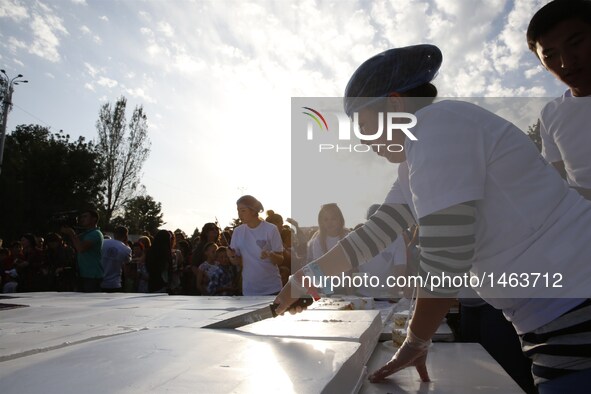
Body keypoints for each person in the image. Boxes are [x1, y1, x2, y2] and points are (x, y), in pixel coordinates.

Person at [275, 44, 591, 393]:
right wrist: (302, 281)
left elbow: (447, 254)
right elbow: (370, 237)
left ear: (395, 104)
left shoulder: (436, 125)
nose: (364, 140)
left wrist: (416, 340)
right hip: (553, 314)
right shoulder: (413, 163)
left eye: (363, 125)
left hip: (576, 304)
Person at [526, 0, 591, 200]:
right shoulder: (550, 114)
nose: (566, 62)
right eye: (550, 55)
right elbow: (557, 176)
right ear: (544, 65)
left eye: (575, 43)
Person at [228, 195, 284, 296]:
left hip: (272, 288)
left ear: (253, 211)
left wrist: (270, 255)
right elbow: (237, 262)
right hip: (249, 290)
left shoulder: (271, 229)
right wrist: (232, 256)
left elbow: (280, 260)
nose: (239, 214)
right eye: (238, 210)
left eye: (243, 210)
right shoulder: (237, 231)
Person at [61, 207, 104, 292]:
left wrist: (71, 233)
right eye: (82, 217)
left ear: (94, 219)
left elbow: (80, 248)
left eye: (85, 217)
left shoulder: (95, 234)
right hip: (84, 274)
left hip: (92, 275)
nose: (82, 219)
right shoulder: (86, 233)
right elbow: (72, 244)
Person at [100, 226, 132, 293]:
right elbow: (128, 261)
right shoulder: (126, 249)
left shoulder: (102, 242)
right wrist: (126, 244)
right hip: (114, 283)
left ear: (114, 234)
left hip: (99, 281)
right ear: (126, 236)